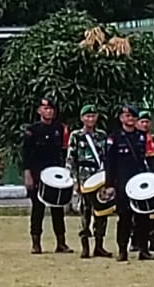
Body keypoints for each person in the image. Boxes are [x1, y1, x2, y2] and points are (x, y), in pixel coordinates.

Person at [21, 97, 71, 255]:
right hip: (37, 173)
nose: (48, 111)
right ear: (39, 110)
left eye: (51, 109)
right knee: (38, 208)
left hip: (56, 174)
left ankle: (61, 243)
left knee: (58, 209)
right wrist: (27, 174)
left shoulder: (60, 129)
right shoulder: (32, 130)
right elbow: (26, 154)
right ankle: (36, 243)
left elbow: (64, 152)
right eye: (45, 108)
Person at [104, 105, 152, 262]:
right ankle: (122, 250)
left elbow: (147, 159)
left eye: (133, 116)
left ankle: (143, 249)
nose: (130, 119)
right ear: (121, 118)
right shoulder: (114, 138)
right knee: (124, 218)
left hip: (140, 183)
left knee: (143, 217)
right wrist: (109, 185)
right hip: (122, 183)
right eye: (127, 116)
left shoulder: (142, 136)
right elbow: (109, 163)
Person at [65, 105, 107, 259]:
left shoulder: (101, 135)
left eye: (93, 116)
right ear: (82, 118)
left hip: (99, 176)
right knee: (85, 211)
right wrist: (75, 181)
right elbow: (71, 159)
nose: (90, 119)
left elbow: (106, 156)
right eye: (87, 116)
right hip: (84, 177)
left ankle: (99, 245)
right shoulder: (76, 136)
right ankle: (85, 246)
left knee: (101, 211)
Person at [137, 112, 154, 254]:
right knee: (138, 210)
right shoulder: (135, 138)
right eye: (142, 121)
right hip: (139, 177)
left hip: (153, 175)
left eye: (147, 122)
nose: (145, 124)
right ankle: (136, 241)